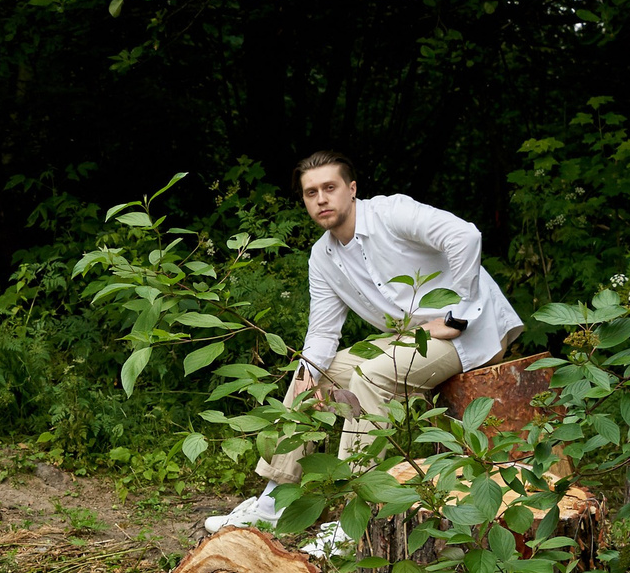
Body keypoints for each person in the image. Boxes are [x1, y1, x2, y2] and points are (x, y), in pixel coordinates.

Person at [208, 150, 522, 532]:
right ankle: (275, 499)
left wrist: (458, 314)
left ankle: (355, 519)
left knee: (370, 376)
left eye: (329, 188)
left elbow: (464, 235)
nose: (321, 199)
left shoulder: (391, 213)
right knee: (313, 373)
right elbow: (323, 333)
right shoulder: (322, 256)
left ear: (351, 189)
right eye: (311, 193)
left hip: (473, 334)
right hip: (411, 338)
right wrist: (308, 375)